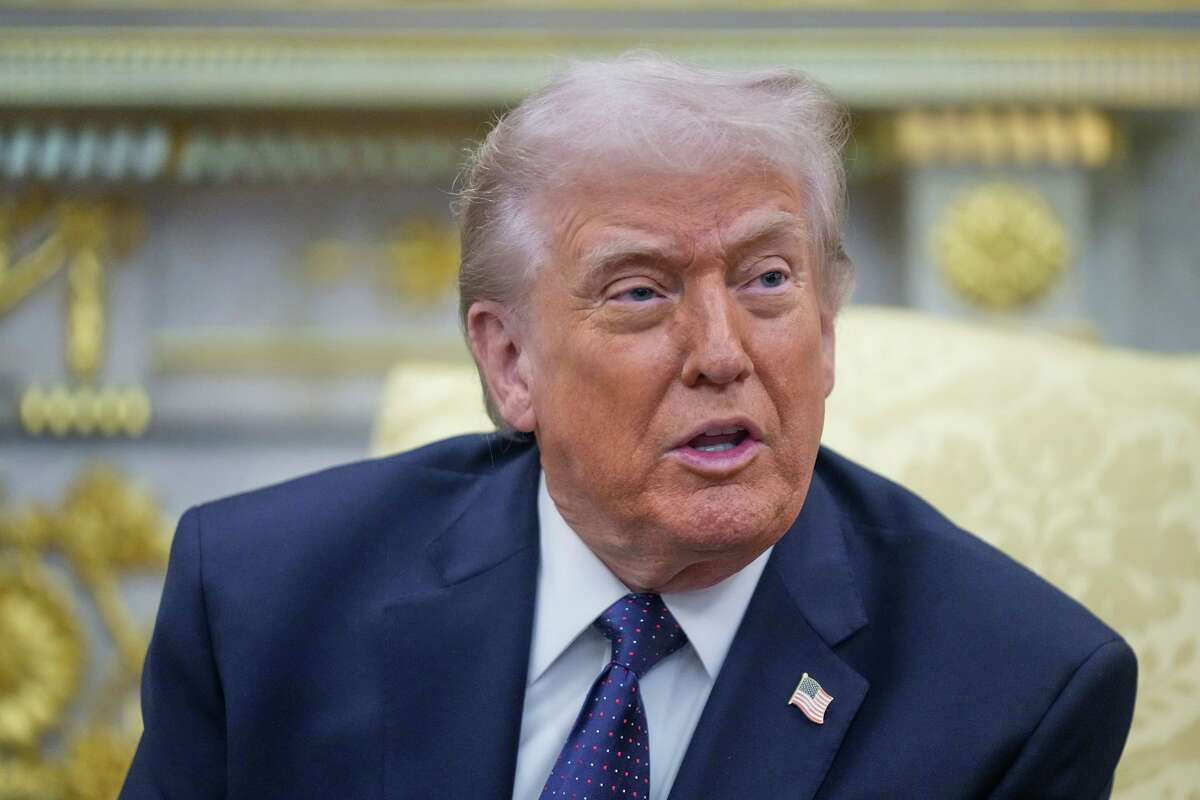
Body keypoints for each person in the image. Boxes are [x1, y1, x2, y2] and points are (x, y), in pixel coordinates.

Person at [120, 53, 1136, 800]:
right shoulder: (260, 599)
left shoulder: (1017, 690)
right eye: (642, 291)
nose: (722, 350)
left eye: (768, 279)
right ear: (511, 362)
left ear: (825, 333)